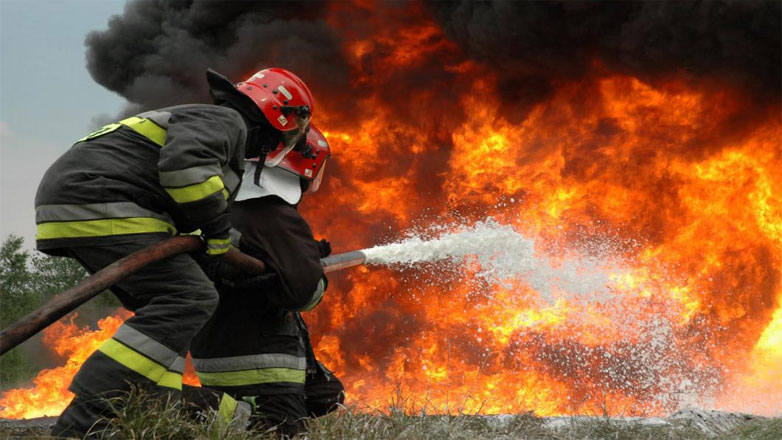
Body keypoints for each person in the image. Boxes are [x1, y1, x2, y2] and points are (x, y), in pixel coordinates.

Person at [35, 67, 314, 438]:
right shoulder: (227, 121)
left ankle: (142, 407)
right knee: (190, 298)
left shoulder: (210, 125)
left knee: (167, 314)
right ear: (278, 117)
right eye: (291, 133)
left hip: (83, 203)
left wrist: (222, 254)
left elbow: (183, 204)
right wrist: (217, 233)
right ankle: (87, 417)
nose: (284, 143)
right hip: (102, 200)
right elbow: (184, 172)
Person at [188, 124, 344, 437]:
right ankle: (178, 405)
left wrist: (302, 256)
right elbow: (306, 294)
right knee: (278, 432)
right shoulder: (273, 212)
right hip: (262, 359)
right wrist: (313, 270)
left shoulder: (221, 206)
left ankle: (232, 415)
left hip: (215, 352)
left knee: (326, 395)